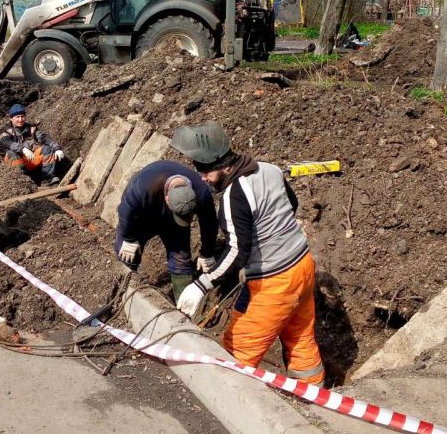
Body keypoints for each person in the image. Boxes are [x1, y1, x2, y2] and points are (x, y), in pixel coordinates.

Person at [170, 121, 325, 386]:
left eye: (205, 170)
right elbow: (292, 204)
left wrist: (201, 284)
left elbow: (237, 251)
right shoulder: (269, 169)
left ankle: (232, 403)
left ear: (223, 165)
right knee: (300, 337)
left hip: (274, 282)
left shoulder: (234, 195)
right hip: (303, 266)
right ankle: (315, 400)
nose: (203, 178)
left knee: (237, 349)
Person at [115, 160, 218, 301]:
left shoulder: (201, 192)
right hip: (143, 217)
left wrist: (207, 252)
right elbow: (125, 210)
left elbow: (209, 222)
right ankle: (121, 296)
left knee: (181, 260)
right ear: (167, 199)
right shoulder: (143, 187)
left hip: (173, 224)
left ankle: (184, 303)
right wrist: (129, 238)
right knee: (127, 254)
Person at [0, 104, 64, 185]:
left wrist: (57, 148)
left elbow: (44, 137)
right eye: (17, 117)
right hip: (13, 162)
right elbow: (6, 142)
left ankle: (47, 177)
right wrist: (22, 149)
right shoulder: (5, 130)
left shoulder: (31, 128)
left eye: (22, 116)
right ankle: (23, 182)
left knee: (47, 149)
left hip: (30, 159)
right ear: (11, 118)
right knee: (11, 153)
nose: (20, 119)